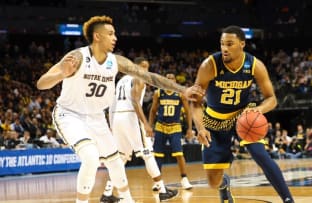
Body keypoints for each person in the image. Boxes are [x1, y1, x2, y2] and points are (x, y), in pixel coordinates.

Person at [36, 15, 203, 203]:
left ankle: (127, 199)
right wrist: (60, 74)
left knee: (115, 161)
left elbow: (149, 77)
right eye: (110, 34)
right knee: (91, 157)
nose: (115, 37)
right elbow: (41, 83)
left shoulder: (116, 61)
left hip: (97, 117)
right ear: (97, 36)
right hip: (70, 115)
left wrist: (183, 89)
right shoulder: (77, 57)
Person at [189, 25, 294, 203]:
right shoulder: (209, 65)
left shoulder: (255, 65)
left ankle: (288, 199)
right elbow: (195, 102)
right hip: (214, 120)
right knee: (213, 181)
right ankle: (224, 184)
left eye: (230, 44)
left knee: (261, 156)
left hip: (243, 117)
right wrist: (200, 128)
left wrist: (258, 110)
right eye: (222, 44)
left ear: (242, 44)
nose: (224, 48)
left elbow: (272, 99)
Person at [100, 57, 178, 202]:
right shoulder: (139, 78)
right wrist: (146, 124)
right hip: (131, 117)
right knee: (148, 154)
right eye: (142, 66)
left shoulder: (121, 81)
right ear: (134, 66)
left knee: (121, 157)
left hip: (118, 118)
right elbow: (135, 102)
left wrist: (112, 125)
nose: (145, 70)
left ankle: (107, 193)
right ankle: (162, 190)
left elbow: (112, 105)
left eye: (147, 67)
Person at [149, 71, 193, 191]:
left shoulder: (180, 94)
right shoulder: (158, 93)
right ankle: (157, 182)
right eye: (167, 78)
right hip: (160, 127)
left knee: (179, 154)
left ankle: (184, 179)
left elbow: (188, 111)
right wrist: (149, 126)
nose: (169, 79)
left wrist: (189, 129)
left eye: (171, 78)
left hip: (175, 127)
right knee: (158, 155)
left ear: (175, 80)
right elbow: (153, 111)